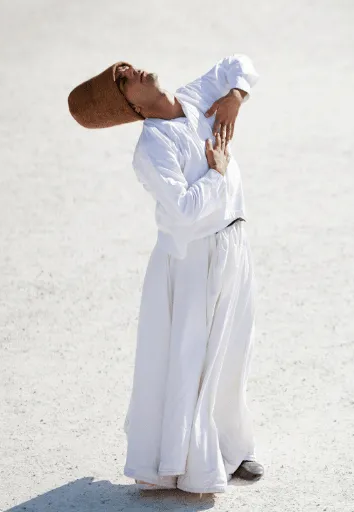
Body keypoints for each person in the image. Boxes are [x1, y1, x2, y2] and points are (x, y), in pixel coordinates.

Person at [67, 55, 263, 494]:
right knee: (193, 361)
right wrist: (217, 172)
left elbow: (239, 62)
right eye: (124, 80)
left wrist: (235, 96)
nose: (132, 70)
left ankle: (232, 449)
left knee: (234, 353)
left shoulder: (196, 99)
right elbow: (184, 211)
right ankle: (192, 464)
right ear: (131, 106)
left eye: (127, 67)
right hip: (193, 262)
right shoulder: (152, 148)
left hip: (234, 244)